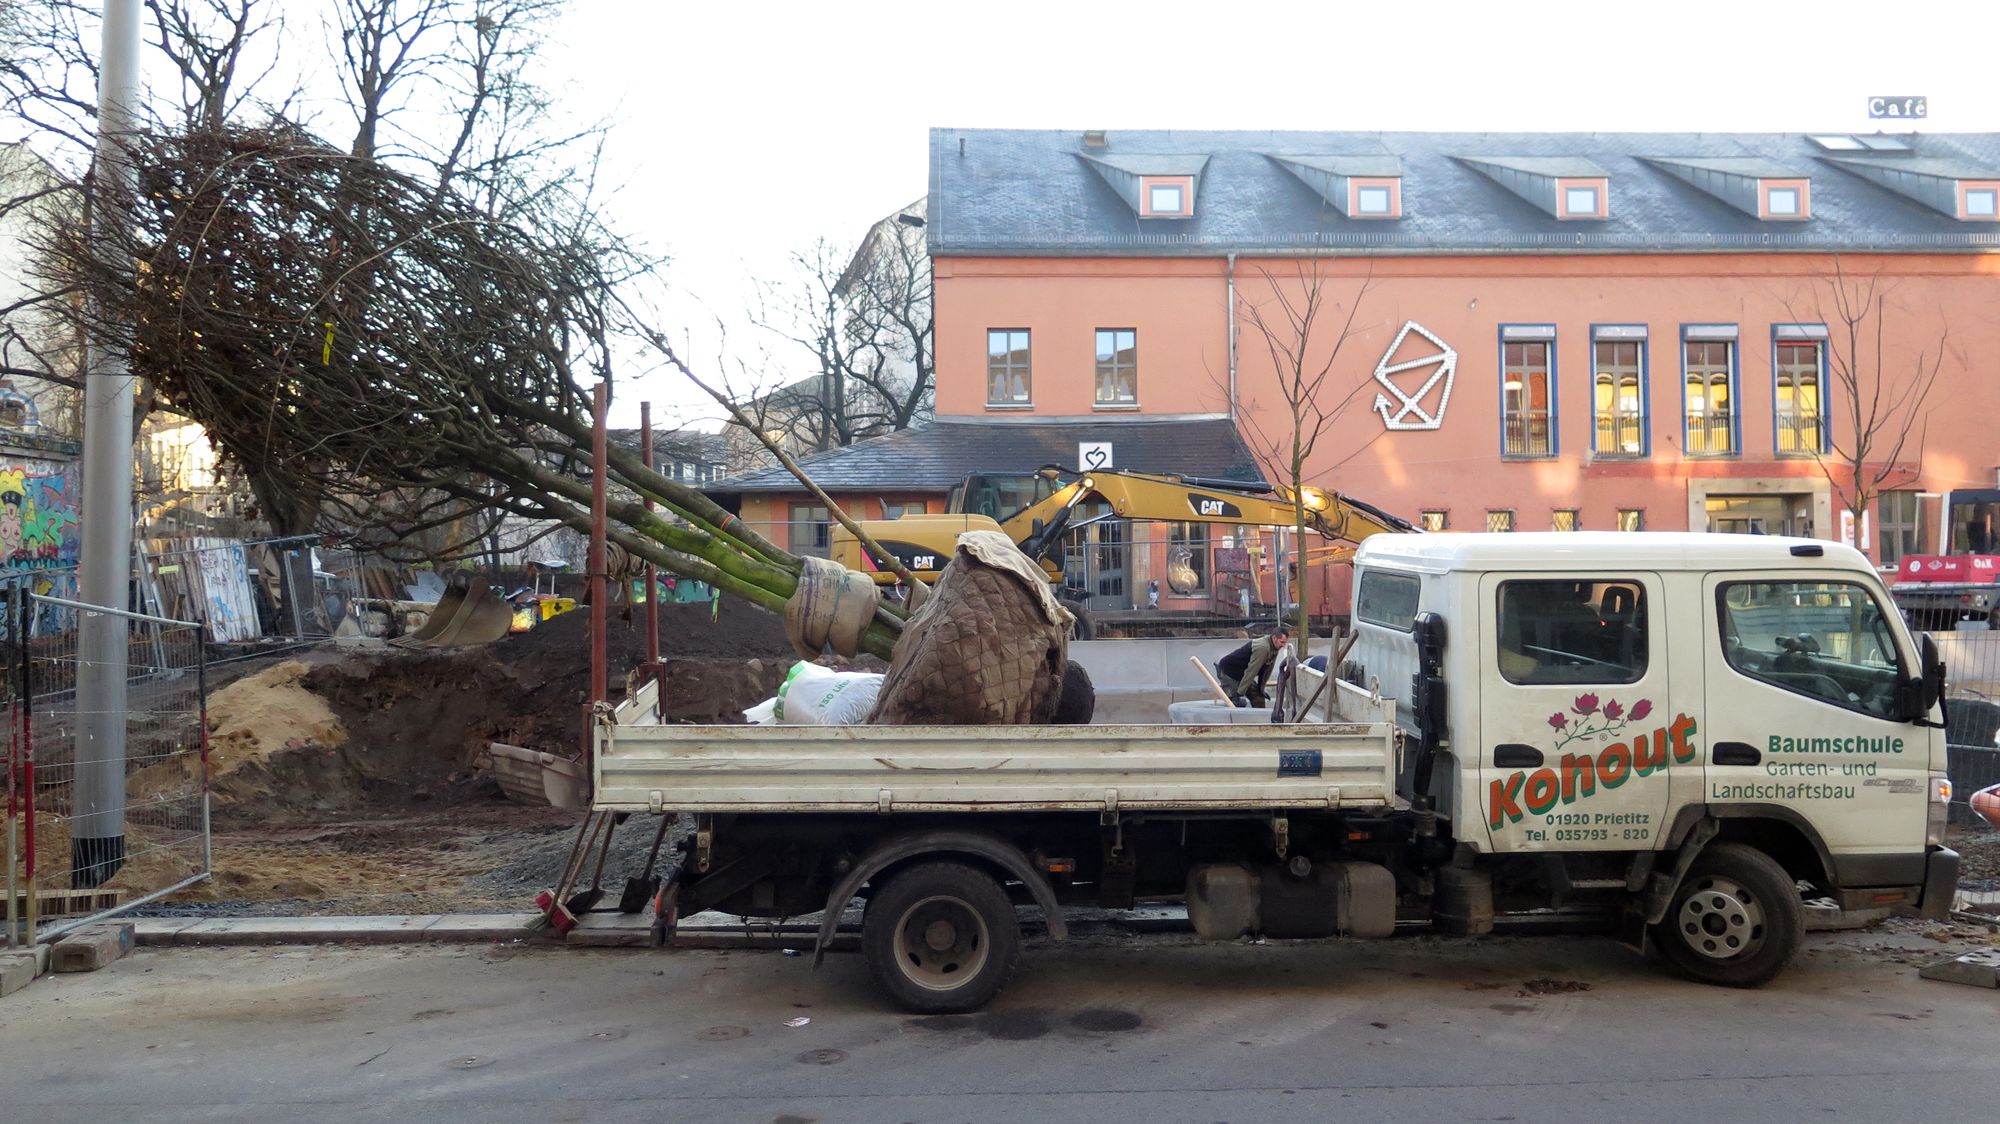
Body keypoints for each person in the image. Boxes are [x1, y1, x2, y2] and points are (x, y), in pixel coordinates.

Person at [1215, 626, 1290, 707]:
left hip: (1242, 673)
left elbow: (1267, 670)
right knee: (1235, 703)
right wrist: (1240, 692)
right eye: (1282, 642)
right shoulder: (1263, 648)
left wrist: (1261, 689)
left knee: (1258, 697)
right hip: (1227, 671)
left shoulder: (1274, 647)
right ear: (1274, 638)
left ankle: (1260, 718)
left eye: (1285, 642)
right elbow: (1251, 671)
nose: (1283, 645)